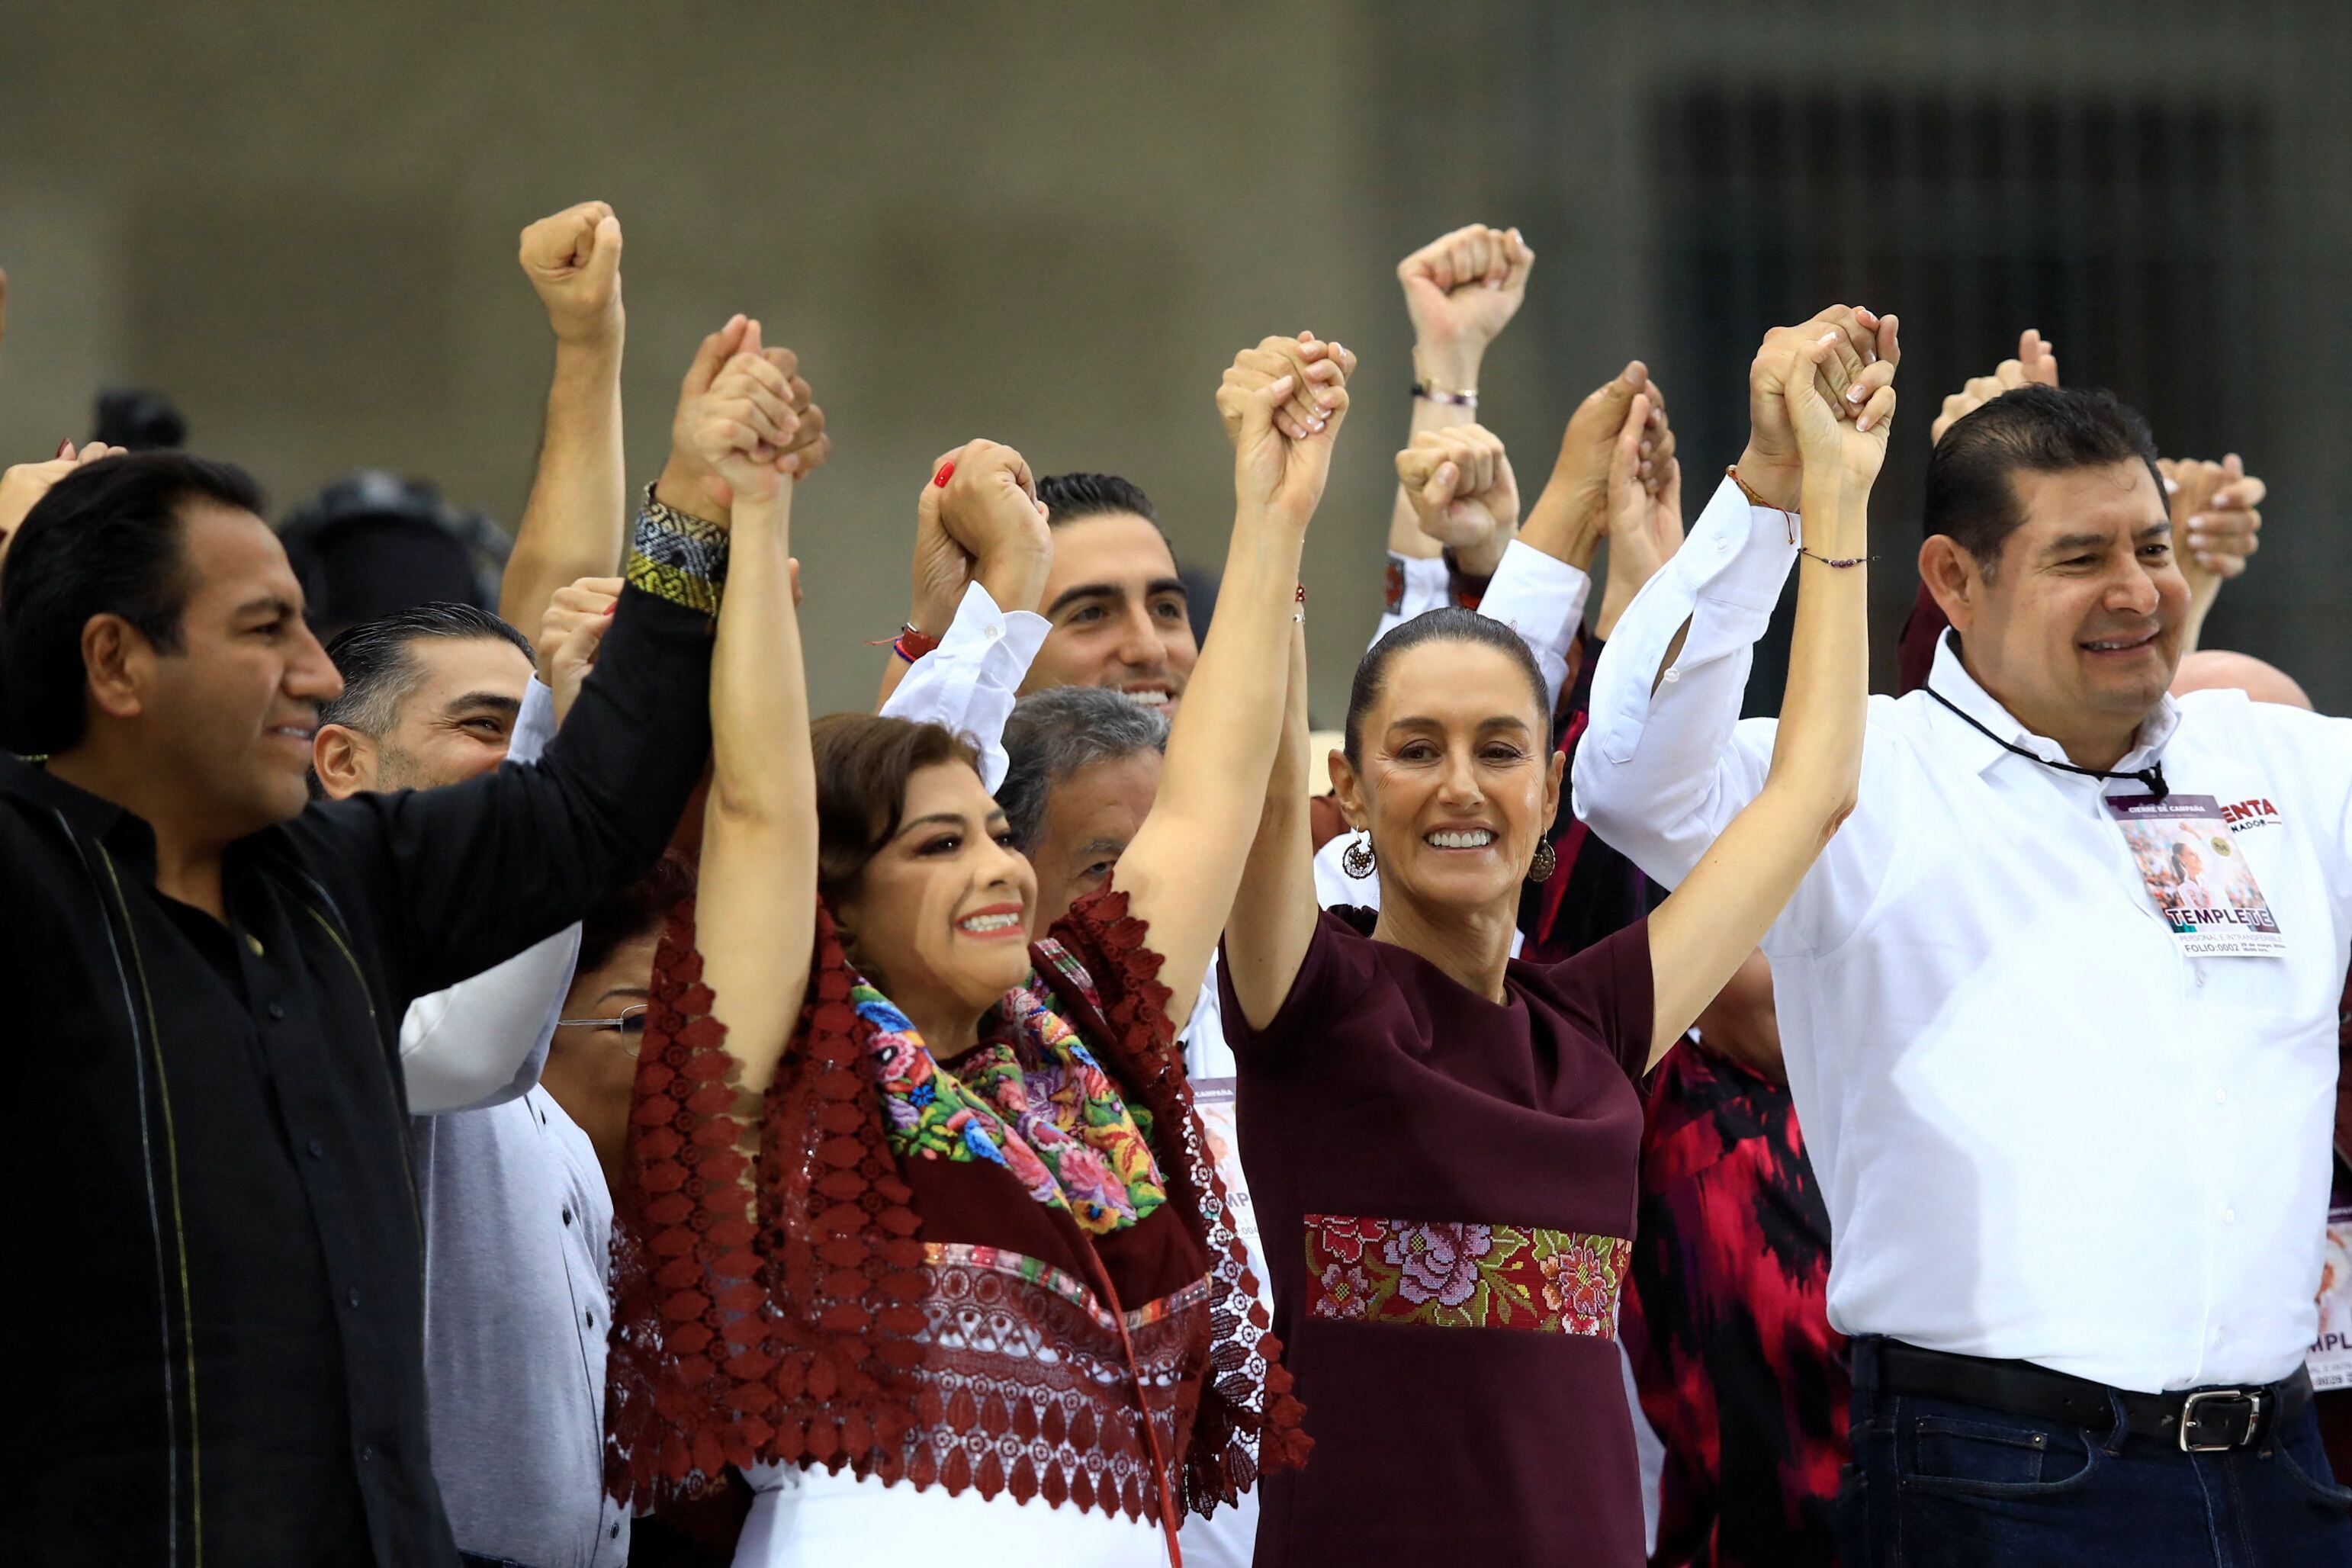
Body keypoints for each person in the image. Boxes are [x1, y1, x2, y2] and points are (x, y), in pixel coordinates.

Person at [1576, 307, 2352, 1563]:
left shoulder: (2281, 769)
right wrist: (1773, 494)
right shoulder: (1863, 776)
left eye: (2152, 547)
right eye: (2080, 557)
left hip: (2285, 1476)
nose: (2138, 593)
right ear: (1952, 579)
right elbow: (1629, 778)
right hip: (2005, 1479)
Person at [604, 335, 1345, 1566]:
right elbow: (761, 807)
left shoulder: (1082, 1019)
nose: (999, 868)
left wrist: (1274, 513)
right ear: (833, 902)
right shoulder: (788, 1063)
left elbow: (1212, 798)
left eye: (999, 835)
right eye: (938, 847)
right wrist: (752, 500)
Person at [0, 415, 739, 1563]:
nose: (317, 672)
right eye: (265, 629)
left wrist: (691, 507)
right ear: (115, 662)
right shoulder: (33, 885)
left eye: (306, 622)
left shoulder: (343, 879)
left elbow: (593, 809)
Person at [1218, 313, 1889, 1566]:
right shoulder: (1308, 1002)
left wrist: (1825, 507)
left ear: (1547, 792)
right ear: (1352, 792)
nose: (1461, 786)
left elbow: (1812, 793)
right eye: (1415, 752)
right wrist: (1275, 509)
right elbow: (1252, 785)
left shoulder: (1597, 1024)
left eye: (1500, 751)